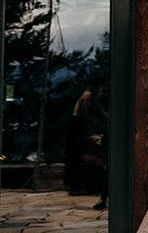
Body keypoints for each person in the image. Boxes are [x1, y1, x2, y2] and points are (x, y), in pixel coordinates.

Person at [64, 79, 108, 209]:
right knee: (76, 155)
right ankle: (76, 187)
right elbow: (86, 112)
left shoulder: (90, 97)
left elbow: (100, 111)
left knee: (77, 155)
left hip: (77, 126)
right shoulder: (88, 96)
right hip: (77, 126)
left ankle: (78, 186)